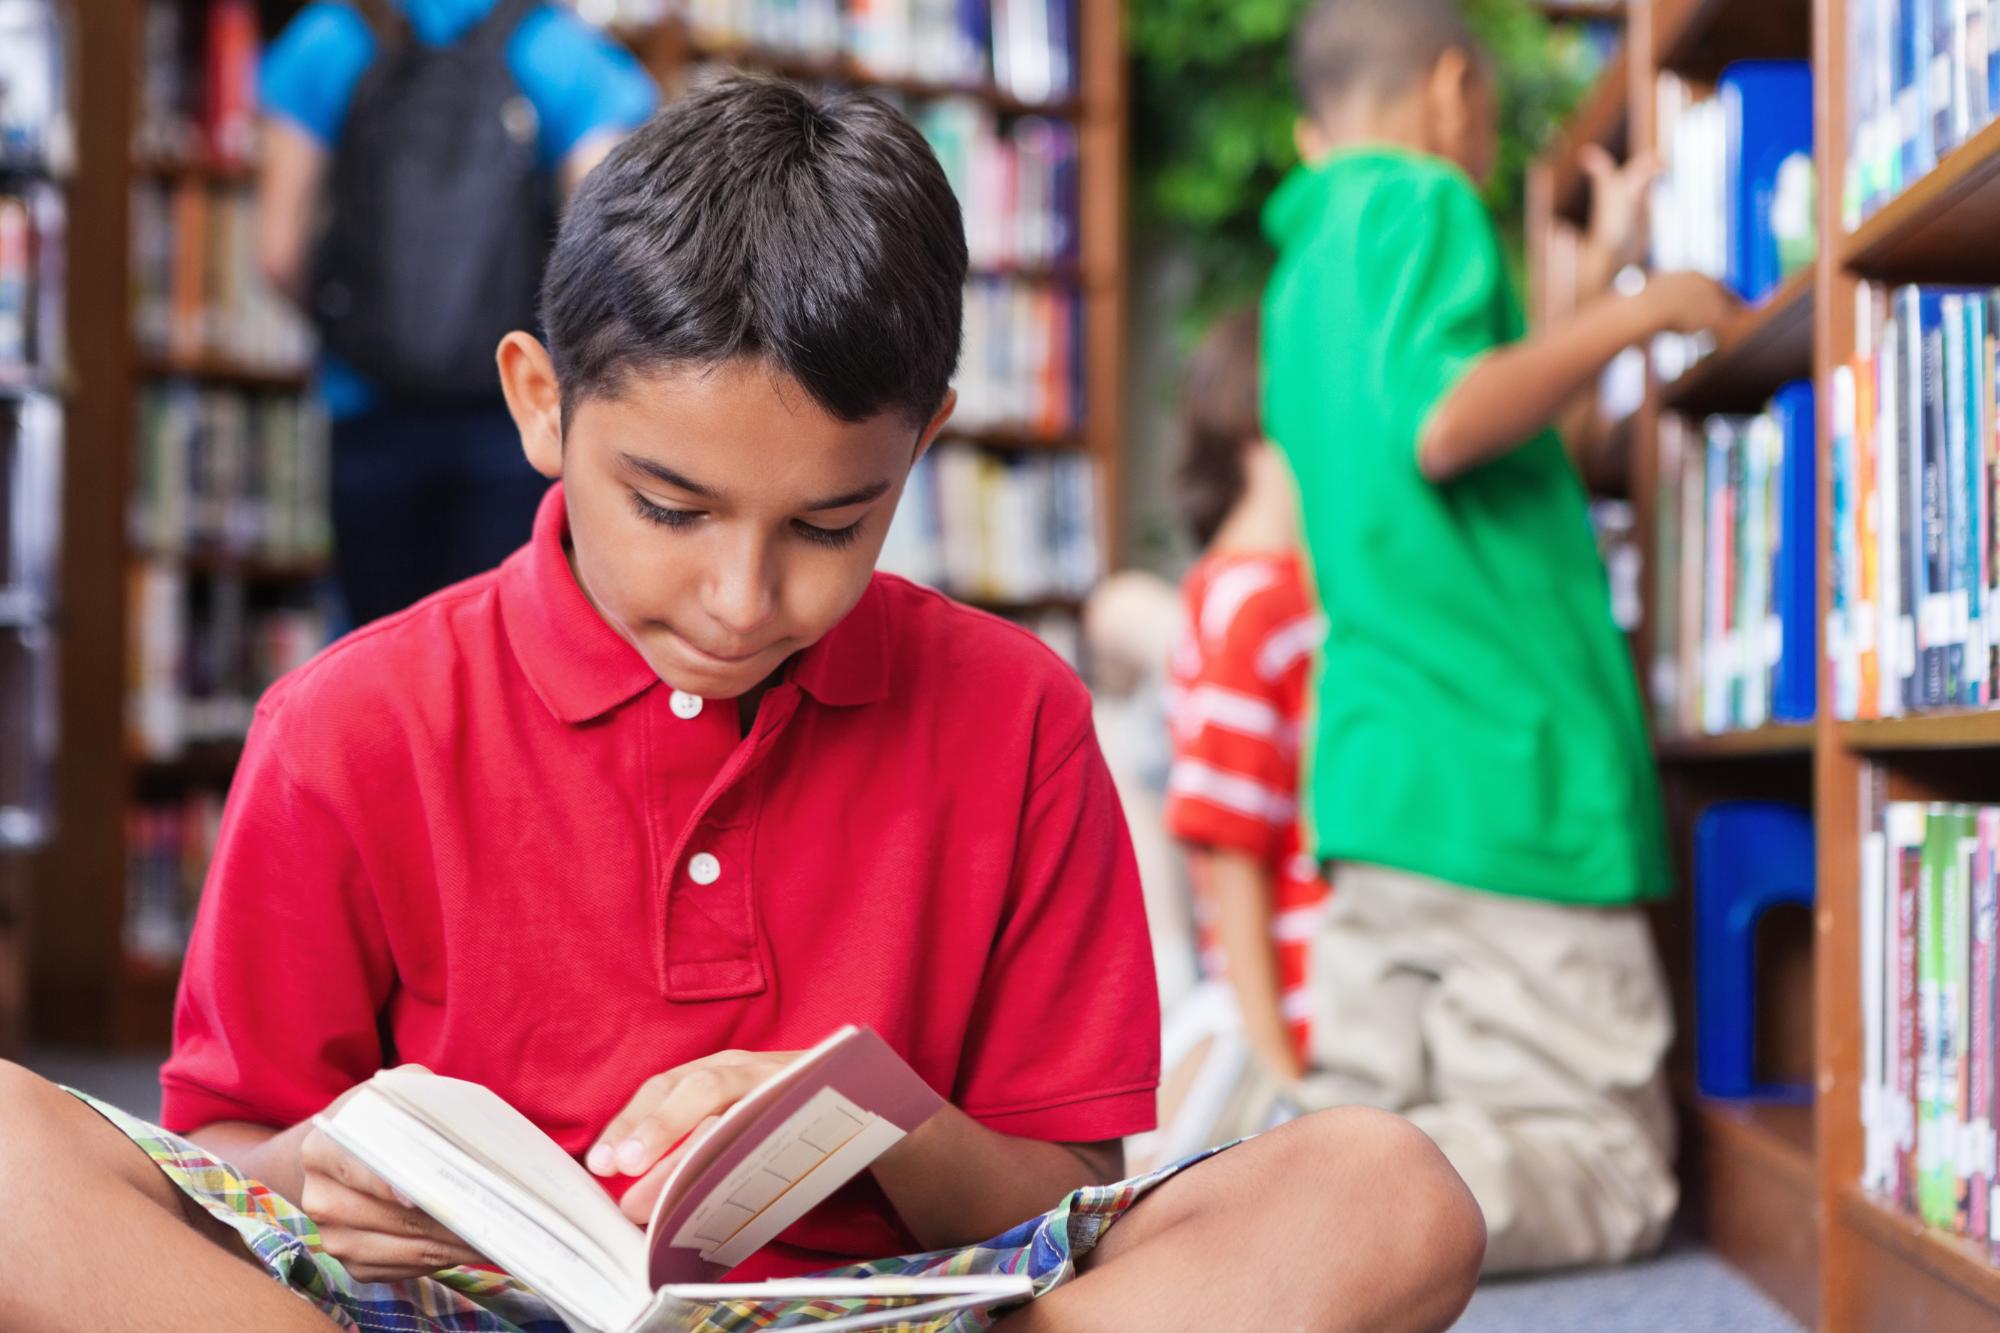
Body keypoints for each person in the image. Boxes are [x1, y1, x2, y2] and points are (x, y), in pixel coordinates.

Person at [0, 77, 1484, 1332]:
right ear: (539, 403)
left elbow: (1066, 1193)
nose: (738, 596)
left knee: (1384, 1190)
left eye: (831, 527)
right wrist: (329, 1164)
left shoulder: (1018, 716)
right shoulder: (346, 724)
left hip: (896, 1306)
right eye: (670, 507)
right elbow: (231, 1161)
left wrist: (890, 1122)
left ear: (922, 454)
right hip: (462, 1308)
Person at [1263, 0, 1739, 1274]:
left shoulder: (1305, 272)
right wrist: (1638, 312)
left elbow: (1502, 443)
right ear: (1454, 91)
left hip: (1380, 777)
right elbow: (1446, 424)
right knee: (1603, 1161)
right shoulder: (1420, 202)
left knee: (1373, 1111)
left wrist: (1589, 278)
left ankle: (1269, 1203)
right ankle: (1301, 1230)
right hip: (1505, 776)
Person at [256, 0, 658, 626]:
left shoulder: (333, 35)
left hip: (367, 403)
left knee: (375, 645)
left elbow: (277, 251)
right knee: (498, 643)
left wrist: (352, 326)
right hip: (510, 416)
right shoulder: (556, 47)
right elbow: (609, 261)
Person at [1162, 308, 1329, 1092]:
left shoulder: (1229, 590)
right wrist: (1273, 1058)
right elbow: (1230, 842)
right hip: (1300, 1010)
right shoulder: (1261, 603)